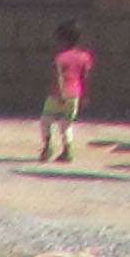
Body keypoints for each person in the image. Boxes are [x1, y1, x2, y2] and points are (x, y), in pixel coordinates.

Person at [39, 20, 89, 164]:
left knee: (46, 121)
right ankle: (68, 150)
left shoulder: (60, 58)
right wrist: (85, 95)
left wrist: (61, 93)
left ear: (62, 39)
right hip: (75, 95)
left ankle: (48, 147)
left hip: (57, 95)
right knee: (67, 124)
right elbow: (86, 77)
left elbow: (58, 76)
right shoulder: (85, 57)